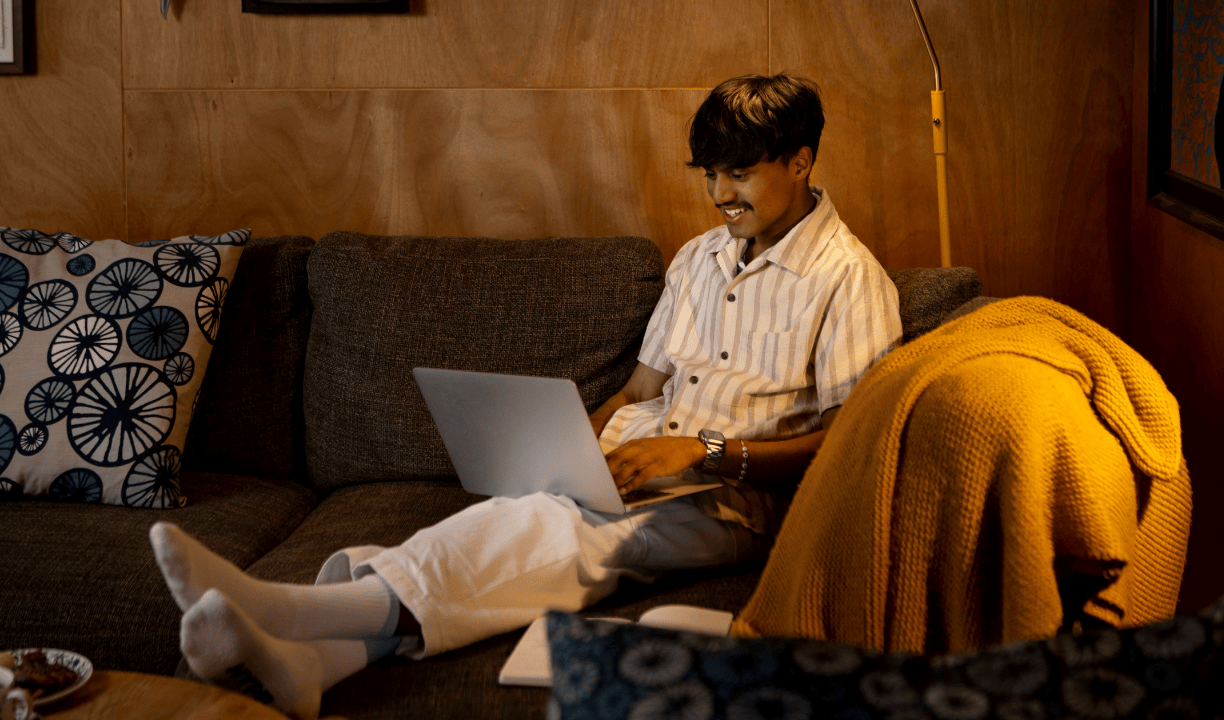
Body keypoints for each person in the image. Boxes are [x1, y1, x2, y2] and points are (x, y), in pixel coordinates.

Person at [147, 72, 902, 719]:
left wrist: (705, 451)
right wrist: (579, 443)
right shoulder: (699, 258)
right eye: (708, 173)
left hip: (731, 500)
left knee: (559, 534)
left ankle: (285, 610)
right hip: (635, 471)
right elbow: (643, 387)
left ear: (800, 161)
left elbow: (852, 446)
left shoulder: (849, 279)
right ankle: (319, 664)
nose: (717, 194)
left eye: (738, 173)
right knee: (524, 516)